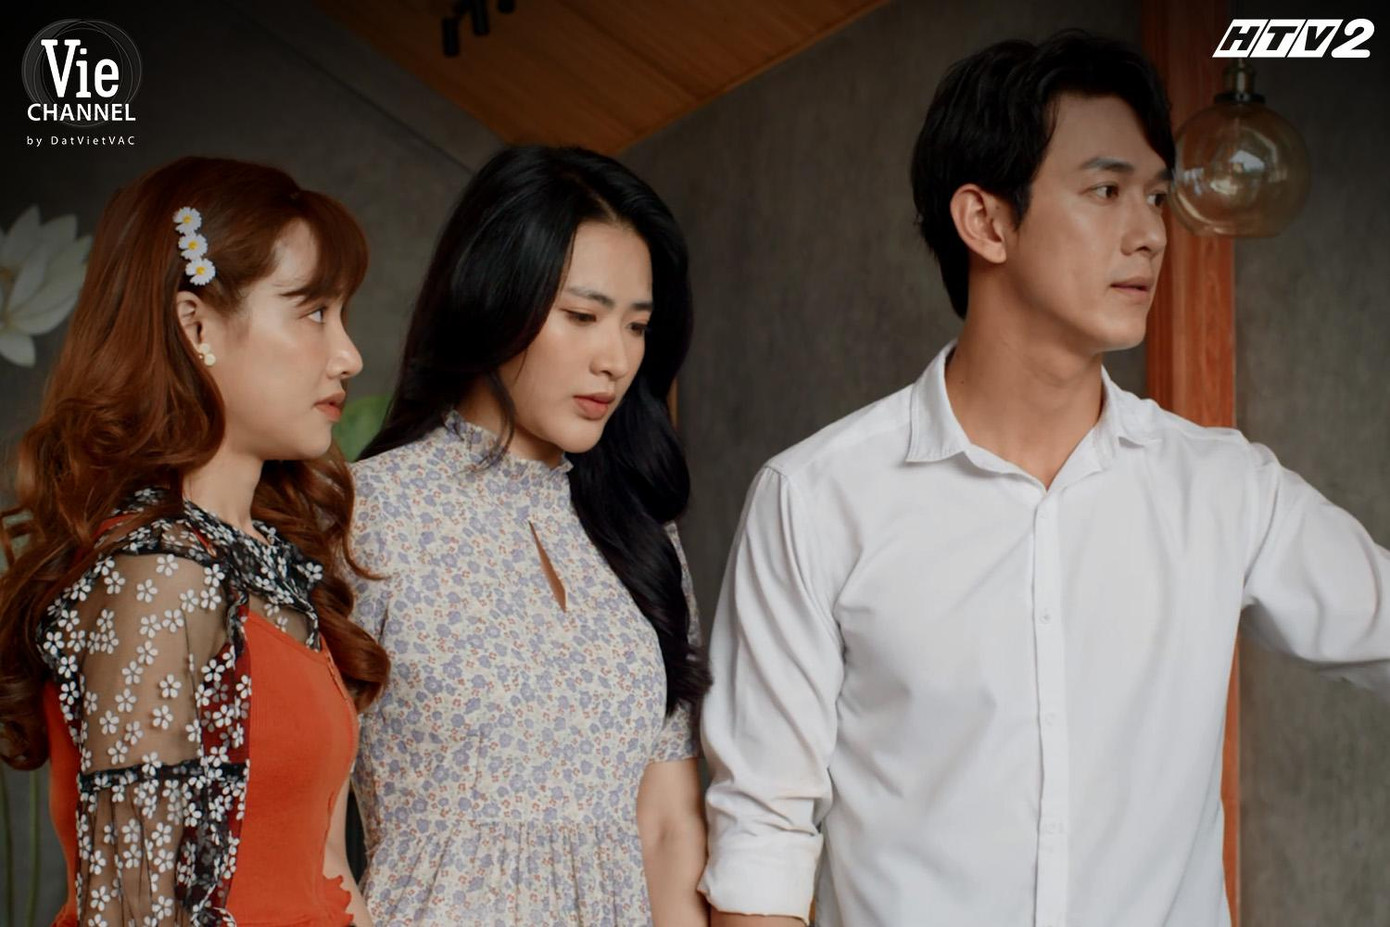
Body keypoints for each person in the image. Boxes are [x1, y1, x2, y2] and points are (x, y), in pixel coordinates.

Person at [698, 31, 1390, 927]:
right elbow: (763, 836)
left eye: (1156, 197)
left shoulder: (1223, 487)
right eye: (1106, 191)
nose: (1150, 234)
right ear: (986, 221)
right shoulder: (816, 499)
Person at [0, 157, 389, 926]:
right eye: (313, 311)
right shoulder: (150, 579)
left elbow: (327, 872)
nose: (348, 355)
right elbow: (135, 913)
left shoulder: (280, 565)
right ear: (196, 324)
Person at [348, 145, 710, 925]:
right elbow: (305, 832)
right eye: (581, 316)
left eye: (637, 326)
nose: (615, 359)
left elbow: (667, 824)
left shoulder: (644, 535)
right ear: (494, 300)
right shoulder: (368, 511)